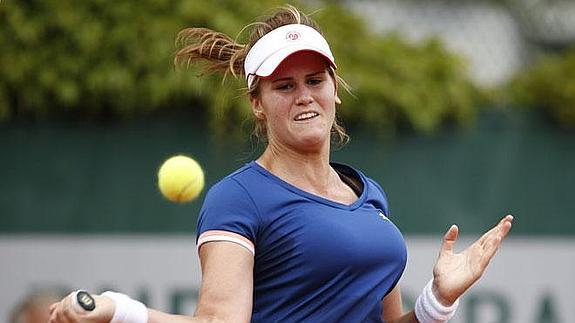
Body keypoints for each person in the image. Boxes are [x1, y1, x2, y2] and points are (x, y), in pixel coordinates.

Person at [48, 5, 513, 323]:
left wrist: (439, 300)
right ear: (257, 103)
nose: (305, 96)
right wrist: (119, 309)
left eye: (315, 80)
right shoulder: (240, 197)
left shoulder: (368, 194)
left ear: (334, 88)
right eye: (284, 86)